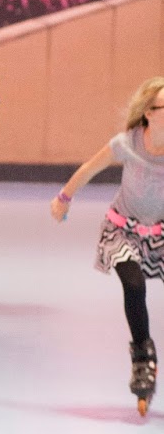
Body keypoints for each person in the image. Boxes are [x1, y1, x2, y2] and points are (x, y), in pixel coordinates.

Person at [50, 75, 164, 413]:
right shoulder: (128, 143)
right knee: (133, 283)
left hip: (161, 232)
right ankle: (143, 355)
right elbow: (89, 168)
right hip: (122, 229)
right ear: (150, 113)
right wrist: (63, 198)